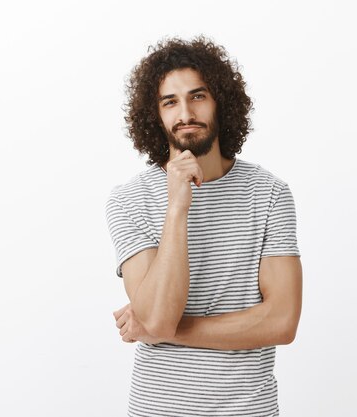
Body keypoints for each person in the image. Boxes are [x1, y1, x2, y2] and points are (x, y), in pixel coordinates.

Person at [105, 36, 303, 417]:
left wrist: (164, 330)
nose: (185, 113)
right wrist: (177, 206)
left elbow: (281, 321)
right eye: (170, 102)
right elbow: (158, 316)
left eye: (198, 96)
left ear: (221, 102)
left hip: (248, 410)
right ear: (155, 115)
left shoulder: (271, 195)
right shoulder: (130, 200)